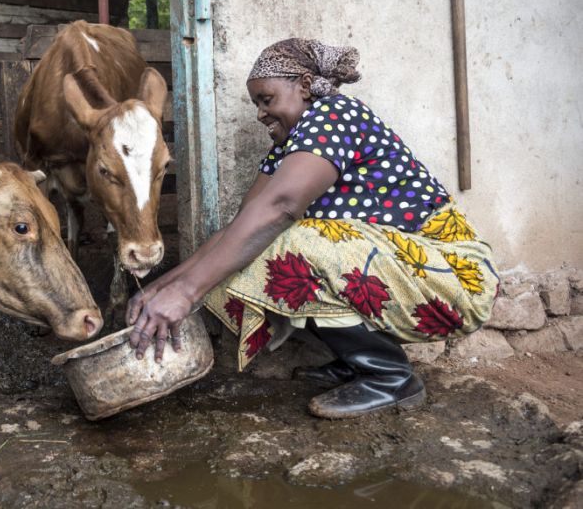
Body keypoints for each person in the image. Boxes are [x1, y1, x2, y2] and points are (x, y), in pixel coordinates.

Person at [126, 38, 499, 419]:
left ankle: (392, 378)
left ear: (304, 86)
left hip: (455, 276)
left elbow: (281, 208)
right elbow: (243, 224)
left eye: (266, 100)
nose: (260, 114)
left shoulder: (335, 115)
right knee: (257, 241)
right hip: (410, 270)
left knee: (294, 242)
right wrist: (166, 286)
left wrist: (187, 295)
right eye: (256, 103)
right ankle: (358, 362)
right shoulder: (290, 146)